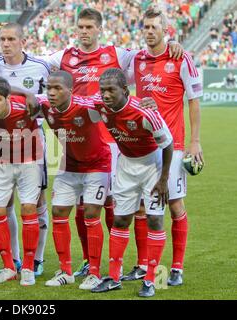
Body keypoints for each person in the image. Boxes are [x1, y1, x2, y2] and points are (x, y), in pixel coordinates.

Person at [39, 7, 184, 279]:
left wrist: (171, 43)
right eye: (80, 27)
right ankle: (87, 260)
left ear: (99, 29)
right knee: (83, 205)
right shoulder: (64, 56)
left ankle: (141, 264)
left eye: (89, 27)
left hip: (112, 141)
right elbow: (35, 62)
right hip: (75, 139)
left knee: (121, 205)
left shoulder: (117, 54)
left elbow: (148, 54)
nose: (84, 32)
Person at [125, 7, 204, 286]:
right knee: (142, 207)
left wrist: (195, 141)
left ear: (166, 31)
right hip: (144, 145)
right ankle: (145, 266)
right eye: (145, 27)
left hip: (175, 145)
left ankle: (177, 267)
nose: (148, 32)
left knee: (174, 204)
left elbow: (194, 101)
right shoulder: (137, 60)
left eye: (154, 27)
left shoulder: (181, 58)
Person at [89, 68, 173, 298]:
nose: (105, 95)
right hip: (126, 165)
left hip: (152, 166)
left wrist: (164, 179)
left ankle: (151, 279)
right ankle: (114, 278)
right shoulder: (99, 105)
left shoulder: (145, 112)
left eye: (111, 90)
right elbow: (77, 100)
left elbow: (168, 145)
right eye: (103, 90)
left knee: (155, 219)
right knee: (121, 218)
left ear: (125, 91)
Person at [31, 71, 111, 289]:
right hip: (69, 166)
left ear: (70, 90)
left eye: (57, 88)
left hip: (97, 165)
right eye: (49, 88)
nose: (52, 93)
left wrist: (147, 103)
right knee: (58, 213)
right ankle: (65, 271)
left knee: (92, 214)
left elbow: (116, 101)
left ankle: (94, 272)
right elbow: (24, 98)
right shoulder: (45, 105)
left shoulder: (87, 106)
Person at [0, 22, 51, 276]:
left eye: (11, 39)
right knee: (4, 203)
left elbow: (49, 99)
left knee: (36, 202)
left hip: (31, 138)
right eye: (2, 39)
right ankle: (14, 259)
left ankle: (36, 259)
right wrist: (24, 92)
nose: (6, 44)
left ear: (23, 41)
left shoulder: (40, 67)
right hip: (1, 140)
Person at [0, 76, 43, 286]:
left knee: (28, 208)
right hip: (0, 162)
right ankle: (9, 267)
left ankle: (27, 267)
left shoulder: (26, 106)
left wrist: (29, 94)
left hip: (29, 161)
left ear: (8, 98)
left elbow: (56, 103)